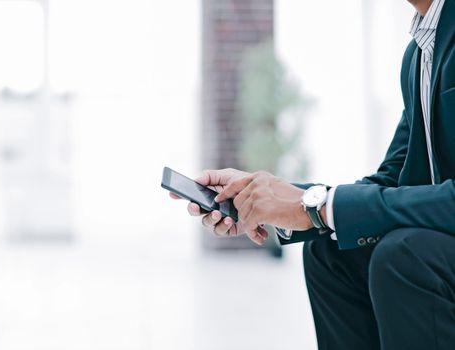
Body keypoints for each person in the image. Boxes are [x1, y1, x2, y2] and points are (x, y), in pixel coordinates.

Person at [170, 0, 455, 349]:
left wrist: (315, 208)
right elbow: (395, 180)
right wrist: (273, 199)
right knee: (331, 252)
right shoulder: (419, 52)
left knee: (405, 255)